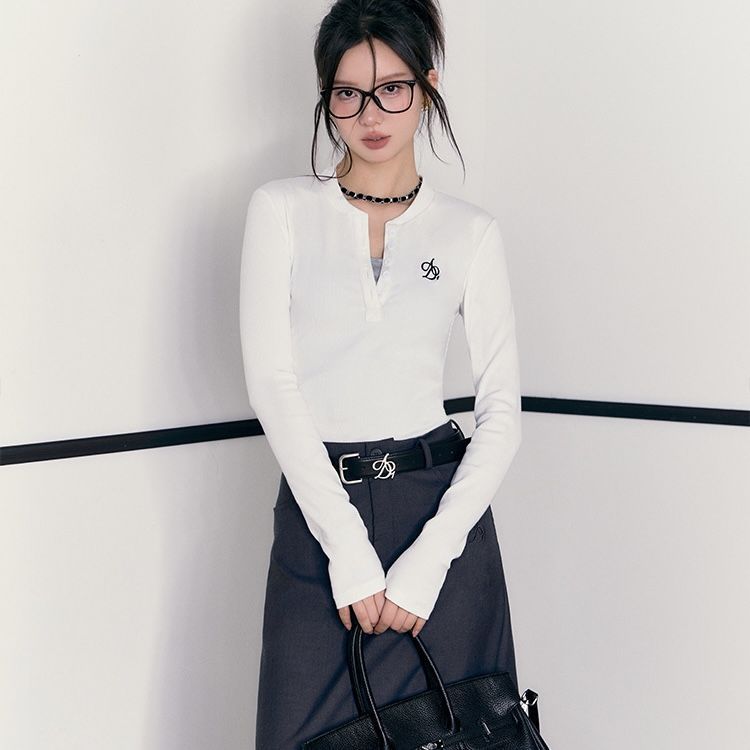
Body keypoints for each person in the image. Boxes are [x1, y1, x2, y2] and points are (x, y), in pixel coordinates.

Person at [239, 1, 523, 747]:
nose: (370, 115)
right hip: (319, 515)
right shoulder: (282, 211)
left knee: (467, 733)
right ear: (326, 97)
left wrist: (432, 558)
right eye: (348, 93)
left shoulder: (469, 231)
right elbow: (272, 383)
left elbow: (502, 410)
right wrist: (348, 549)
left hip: (440, 514)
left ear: (427, 87)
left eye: (392, 89)